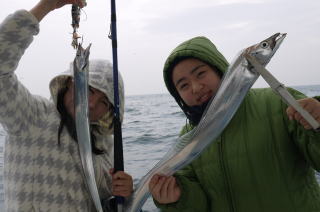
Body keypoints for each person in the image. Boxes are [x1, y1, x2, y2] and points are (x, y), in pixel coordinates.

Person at [149, 36, 320, 211]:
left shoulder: (277, 102)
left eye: (200, 73)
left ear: (220, 69)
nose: (196, 87)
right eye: (183, 85)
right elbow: (200, 205)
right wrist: (178, 197)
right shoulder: (188, 137)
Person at [0, 0, 133, 211]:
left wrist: (124, 193)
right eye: (88, 91)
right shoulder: (31, 115)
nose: (91, 105)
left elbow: (106, 201)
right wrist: (44, 7)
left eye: (104, 103)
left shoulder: (104, 144)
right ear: (70, 82)